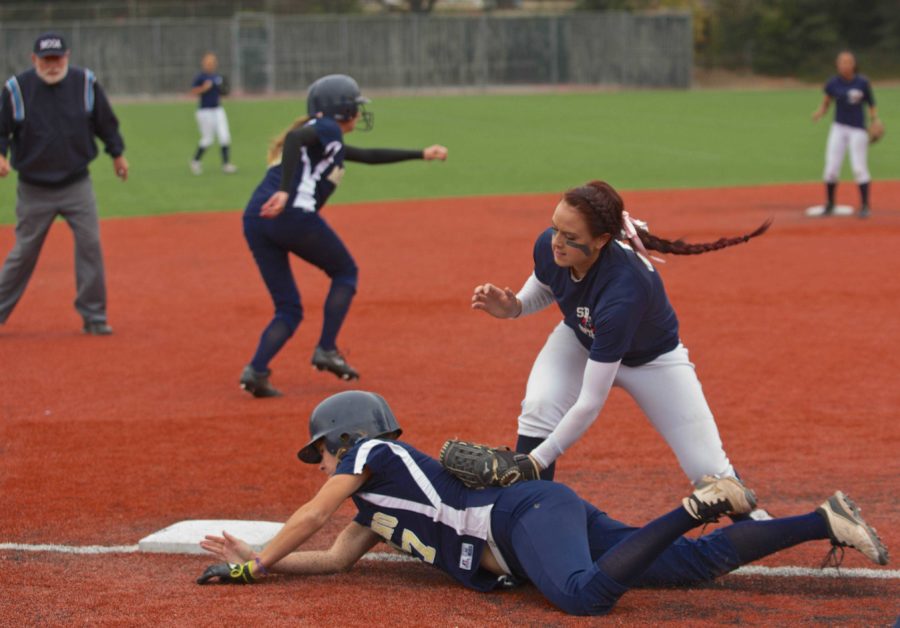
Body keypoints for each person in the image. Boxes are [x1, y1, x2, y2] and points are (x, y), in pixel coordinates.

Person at [196, 391, 889, 618]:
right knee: (682, 569)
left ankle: (702, 502)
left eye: (322, 451)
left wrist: (254, 566)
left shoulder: (370, 456)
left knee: (585, 598)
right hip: (536, 515)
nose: (321, 463)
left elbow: (310, 517)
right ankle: (822, 519)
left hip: (521, 517)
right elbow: (334, 557)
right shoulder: (378, 507)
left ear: (347, 439)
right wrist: (264, 564)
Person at [471, 180, 770, 496]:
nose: (556, 242)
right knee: (539, 406)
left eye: (570, 237)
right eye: (555, 228)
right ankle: (527, 516)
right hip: (582, 338)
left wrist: (535, 460)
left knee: (710, 474)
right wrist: (514, 307)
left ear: (601, 240)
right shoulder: (551, 246)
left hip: (653, 361)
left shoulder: (624, 290)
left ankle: (757, 523)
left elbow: (589, 403)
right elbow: (548, 284)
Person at [238, 74, 448, 397]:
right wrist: (283, 194)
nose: (358, 113)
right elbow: (295, 139)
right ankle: (326, 348)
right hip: (289, 212)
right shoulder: (326, 127)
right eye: (355, 106)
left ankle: (256, 370)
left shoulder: (325, 138)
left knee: (289, 308)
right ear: (342, 109)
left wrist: (422, 153)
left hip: (256, 219)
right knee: (345, 272)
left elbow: (368, 155)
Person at [0, 32, 127, 335]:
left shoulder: (85, 84)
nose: (53, 65)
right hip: (34, 188)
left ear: (67, 57)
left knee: (90, 246)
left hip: (76, 184)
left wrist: (117, 154)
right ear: (34, 60)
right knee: (24, 252)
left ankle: (94, 316)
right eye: (46, 59)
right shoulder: (17, 89)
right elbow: (1, 129)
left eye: (58, 58)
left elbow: (105, 123)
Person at [811, 50, 878, 218]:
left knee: (859, 168)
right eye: (842, 62)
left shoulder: (862, 82)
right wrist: (820, 112)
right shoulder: (833, 83)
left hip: (858, 129)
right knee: (831, 168)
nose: (845, 65)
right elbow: (827, 101)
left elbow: (871, 103)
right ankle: (830, 204)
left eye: (848, 62)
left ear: (853, 64)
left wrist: (874, 119)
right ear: (837, 65)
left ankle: (864, 206)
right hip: (839, 128)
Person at [189, 52, 236, 175]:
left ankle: (226, 164)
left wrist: (224, 90)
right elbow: (193, 91)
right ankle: (195, 161)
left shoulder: (217, 77)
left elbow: (224, 92)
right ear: (204, 64)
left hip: (218, 110)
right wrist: (204, 88)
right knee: (207, 139)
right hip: (205, 111)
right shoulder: (201, 77)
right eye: (208, 63)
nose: (211, 65)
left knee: (225, 136)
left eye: (213, 63)